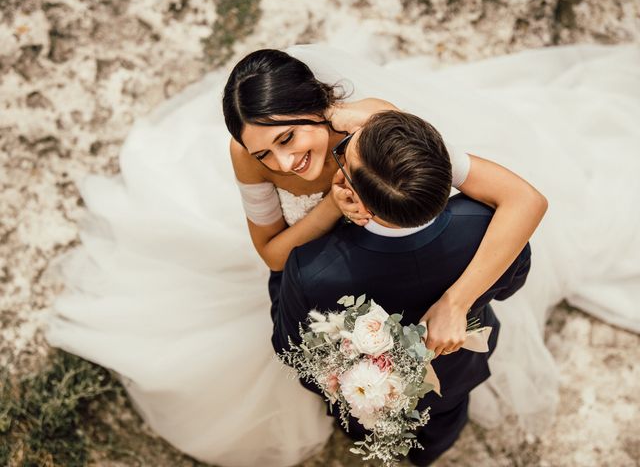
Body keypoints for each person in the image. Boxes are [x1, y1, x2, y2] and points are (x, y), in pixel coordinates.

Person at [46, 42, 640, 467]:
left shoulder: (374, 124)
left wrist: (454, 295)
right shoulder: (249, 159)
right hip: (314, 250)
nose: (281, 164)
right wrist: (333, 206)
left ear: (318, 111)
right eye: (263, 152)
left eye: (289, 138)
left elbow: (477, 188)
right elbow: (274, 254)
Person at [270, 110, 532, 465]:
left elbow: (290, 347)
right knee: (447, 415)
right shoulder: (488, 223)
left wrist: (280, 281)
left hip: (368, 398)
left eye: (343, 151)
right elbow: (510, 284)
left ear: (356, 198)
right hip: (459, 371)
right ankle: (434, 452)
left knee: (365, 429)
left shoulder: (313, 270)